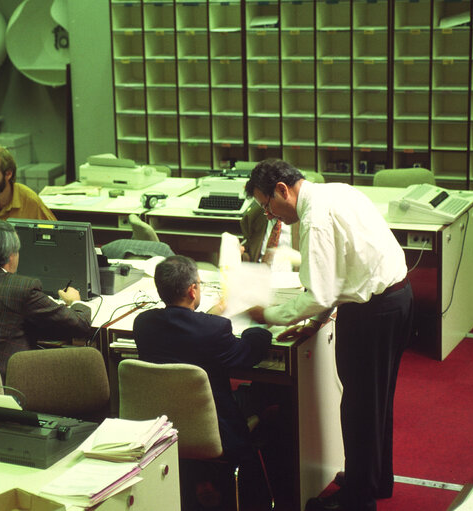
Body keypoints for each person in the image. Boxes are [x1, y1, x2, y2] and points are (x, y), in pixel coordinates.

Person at [244, 159, 414, 511]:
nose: (270, 215)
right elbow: (337, 274)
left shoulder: (314, 220)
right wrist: (316, 318)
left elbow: (320, 292)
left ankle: (358, 501)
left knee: (358, 407)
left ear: (282, 190)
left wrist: (268, 314)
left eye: (267, 205)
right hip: (395, 298)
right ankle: (373, 479)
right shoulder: (334, 192)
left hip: (372, 311)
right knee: (377, 401)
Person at [132, 255, 273, 509]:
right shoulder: (214, 330)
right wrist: (258, 326)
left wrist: (208, 316)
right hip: (217, 431)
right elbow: (248, 354)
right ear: (192, 290)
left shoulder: (143, 324)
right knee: (264, 395)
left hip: (162, 428)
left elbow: (183, 335)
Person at [0, 218, 91, 376]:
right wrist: (75, 301)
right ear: (10, 256)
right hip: (7, 386)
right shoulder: (22, 289)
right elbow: (80, 324)